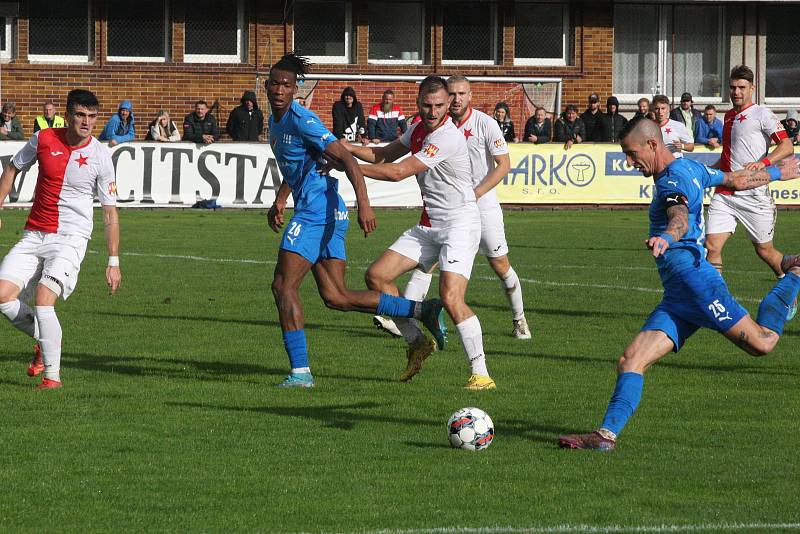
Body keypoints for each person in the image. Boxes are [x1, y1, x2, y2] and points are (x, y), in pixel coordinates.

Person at [558, 117, 800, 450]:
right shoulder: (693, 168)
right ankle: (605, 437)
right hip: (677, 294)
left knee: (764, 343)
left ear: (653, 145)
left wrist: (666, 238)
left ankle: (794, 276)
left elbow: (679, 216)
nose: (629, 163)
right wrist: (776, 173)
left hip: (697, 285)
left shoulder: (671, 182)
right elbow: (734, 179)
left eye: (631, 154)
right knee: (631, 360)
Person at [265, 53, 444, 388]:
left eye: (286, 85)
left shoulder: (301, 119)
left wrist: (365, 204)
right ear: (266, 86)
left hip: (317, 212)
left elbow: (344, 157)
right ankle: (422, 311)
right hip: (326, 210)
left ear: (294, 90)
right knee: (337, 296)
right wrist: (281, 197)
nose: (279, 89)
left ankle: (301, 373)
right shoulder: (276, 122)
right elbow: (302, 164)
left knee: (283, 286)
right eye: (274, 83)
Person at [342, 75, 497, 390]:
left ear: (448, 105)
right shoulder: (416, 129)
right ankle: (416, 340)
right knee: (377, 277)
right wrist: (347, 148)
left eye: (440, 105)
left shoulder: (448, 136)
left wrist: (346, 166)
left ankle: (481, 374)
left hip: (460, 223)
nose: (433, 111)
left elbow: (398, 172)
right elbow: (384, 155)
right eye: (427, 105)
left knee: (451, 297)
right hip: (430, 224)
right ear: (418, 103)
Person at [373, 74, 530, 360]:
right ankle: (420, 319)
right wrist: (340, 149)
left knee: (498, 266)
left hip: (476, 206)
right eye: (451, 95)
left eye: (460, 94)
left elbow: (504, 164)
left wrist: (478, 191)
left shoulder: (482, 123)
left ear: (469, 96)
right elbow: (385, 154)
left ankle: (518, 318)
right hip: (437, 215)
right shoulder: (427, 126)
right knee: (419, 269)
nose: (455, 100)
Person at [0, 89, 121, 390]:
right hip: (35, 233)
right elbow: (13, 168)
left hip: (71, 238)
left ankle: (52, 377)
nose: (86, 122)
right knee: (2, 295)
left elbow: (109, 212)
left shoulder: (100, 156)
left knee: (43, 300)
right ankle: (44, 341)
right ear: (67, 115)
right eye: (80, 115)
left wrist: (113, 260)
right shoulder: (43, 139)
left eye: (92, 116)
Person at [705, 65, 795, 282]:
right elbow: (728, 156)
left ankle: (788, 283)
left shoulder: (762, 113)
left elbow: (787, 146)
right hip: (725, 193)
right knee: (711, 245)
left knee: (765, 251)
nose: (736, 92)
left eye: (742, 87)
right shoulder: (727, 117)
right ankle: (717, 300)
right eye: (733, 87)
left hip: (754, 194)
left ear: (752, 88)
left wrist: (763, 162)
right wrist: (706, 173)